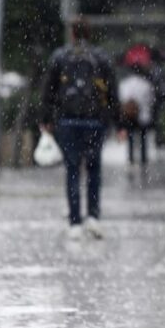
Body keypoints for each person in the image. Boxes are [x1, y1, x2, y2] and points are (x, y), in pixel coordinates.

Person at [41, 19, 118, 240]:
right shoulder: (101, 58)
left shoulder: (60, 57)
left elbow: (49, 90)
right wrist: (117, 122)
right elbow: (112, 91)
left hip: (68, 121)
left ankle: (75, 221)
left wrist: (46, 119)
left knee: (73, 170)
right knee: (94, 169)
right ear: (89, 33)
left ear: (72, 34)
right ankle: (93, 216)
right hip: (95, 121)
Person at [118, 63, 155, 182]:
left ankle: (131, 160)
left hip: (129, 116)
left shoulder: (124, 84)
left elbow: (121, 99)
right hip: (143, 116)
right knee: (143, 139)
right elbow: (151, 99)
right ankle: (143, 160)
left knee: (130, 138)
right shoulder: (146, 84)